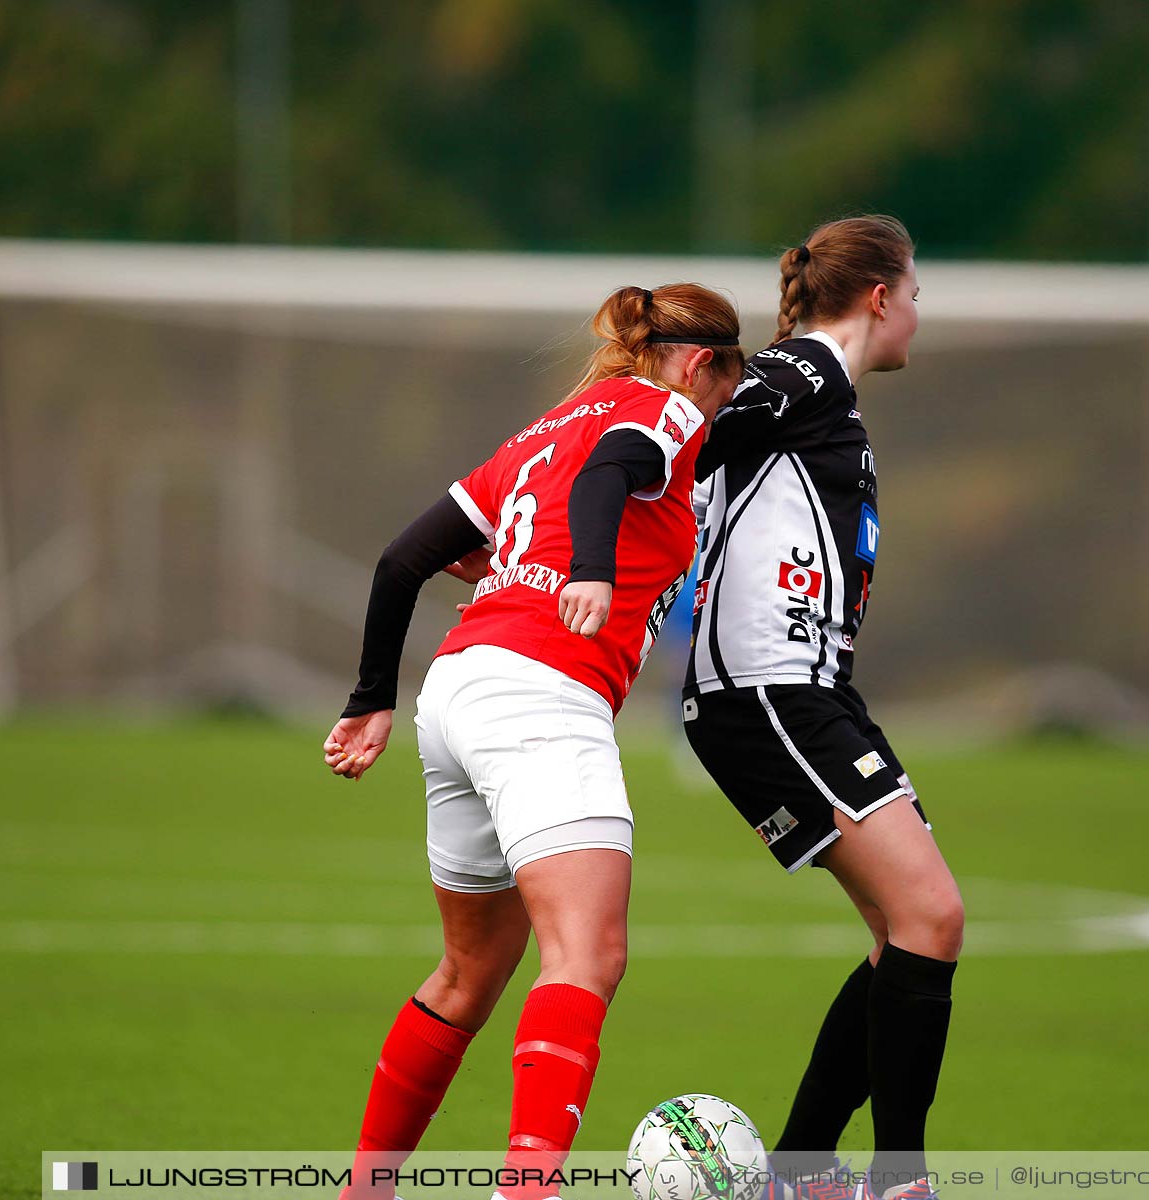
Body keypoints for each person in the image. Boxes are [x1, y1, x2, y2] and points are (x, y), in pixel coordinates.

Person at [322, 283, 744, 1200]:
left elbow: (403, 559)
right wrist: (590, 572)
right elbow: (610, 476)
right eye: (722, 391)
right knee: (586, 956)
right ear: (702, 363)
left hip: (457, 688)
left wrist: (371, 697)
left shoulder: (538, 433)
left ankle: (365, 1191)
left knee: (469, 974)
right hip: (543, 692)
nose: (711, 416)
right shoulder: (667, 408)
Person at [679, 216, 962, 1200]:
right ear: (878, 297)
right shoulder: (800, 371)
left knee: (904, 934)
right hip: (767, 693)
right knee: (932, 913)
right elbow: (688, 433)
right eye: (915, 293)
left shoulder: (813, 388)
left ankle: (798, 1170)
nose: (919, 316)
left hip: (806, 695)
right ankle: (896, 1182)